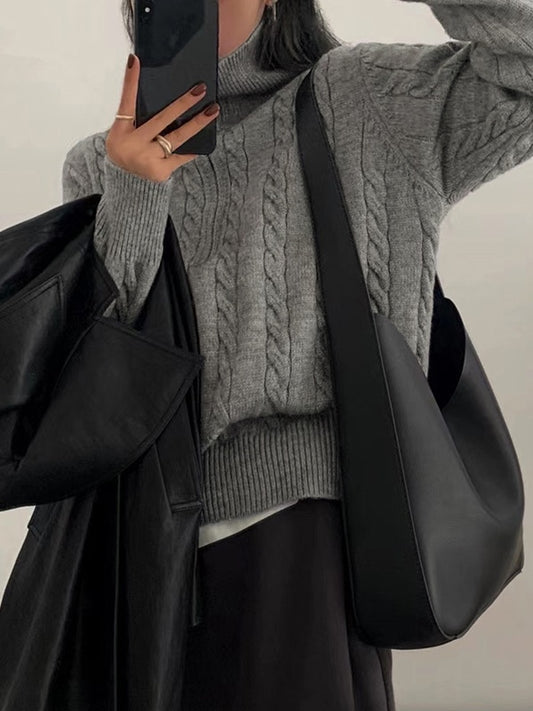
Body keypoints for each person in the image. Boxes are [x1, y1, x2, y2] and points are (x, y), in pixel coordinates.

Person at [61, 0, 533, 708]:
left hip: (301, 538)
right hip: (137, 562)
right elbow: (94, 379)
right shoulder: (101, 164)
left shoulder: (363, 99)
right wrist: (134, 188)